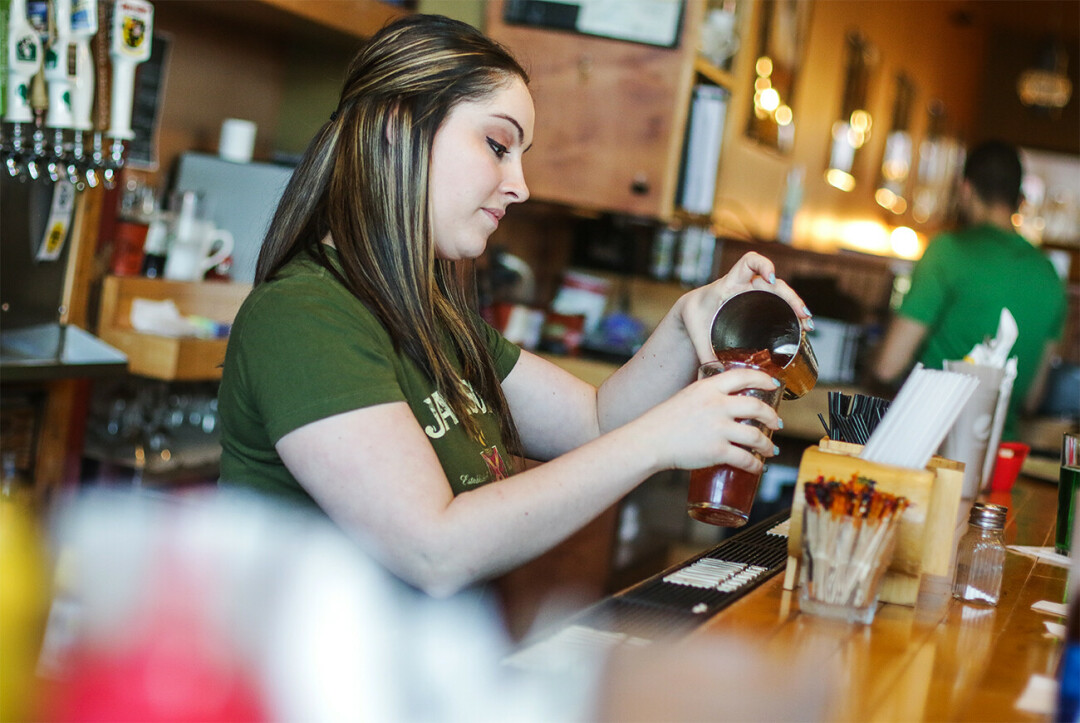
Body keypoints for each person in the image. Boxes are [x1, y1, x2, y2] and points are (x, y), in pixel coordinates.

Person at [217, 14, 812, 598]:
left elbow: (595, 422)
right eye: (498, 144)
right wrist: (659, 440)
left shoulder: (431, 318)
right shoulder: (303, 316)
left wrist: (692, 317)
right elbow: (433, 549)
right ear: (399, 126)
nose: (520, 185)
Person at [873, 140, 1066, 440]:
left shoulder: (947, 251)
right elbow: (1032, 399)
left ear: (965, 189)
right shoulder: (1050, 275)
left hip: (927, 441)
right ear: (1019, 199)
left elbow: (887, 366)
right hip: (999, 457)